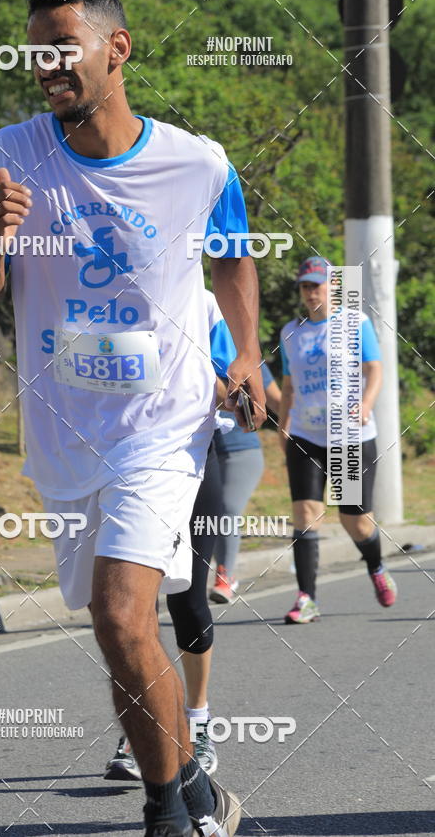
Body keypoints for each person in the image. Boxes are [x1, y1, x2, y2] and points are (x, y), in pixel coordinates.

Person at [0, 0, 266, 837]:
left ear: (115, 49)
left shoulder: (197, 162)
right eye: (37, 50)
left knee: (124, 612)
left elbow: (234, 258)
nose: (48, 64)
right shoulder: (5, 159)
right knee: (114, 631)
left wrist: (246, 354)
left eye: (64, 46)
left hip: (163, 429)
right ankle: (196, 785)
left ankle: (169, 812)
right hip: (64, 433)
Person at [105, 290, 250, 783]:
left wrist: (219, 385)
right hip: (126, 462)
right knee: (132, 608)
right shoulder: (102, 295)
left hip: (191, 459)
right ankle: (145, 725)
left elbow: (240, 392)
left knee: (188, 599)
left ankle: (198, 720)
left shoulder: (203, 303)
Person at [278, 256, 397, 624]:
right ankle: (306, 599)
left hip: (349, 434)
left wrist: (365, 404)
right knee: (305, 515)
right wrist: (283, 425)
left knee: (355, 522)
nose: (311, 292)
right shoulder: (289, 333)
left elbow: (374, 368)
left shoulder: (354, 323)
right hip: (306, 434)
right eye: (305, 286)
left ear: (333, 287)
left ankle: (375, 565)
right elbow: (288, 384)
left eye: (317, 285)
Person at [209, 363, 282, 604]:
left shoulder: (244, 356)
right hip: (199, 452)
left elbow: (277, 401)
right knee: (199, 517)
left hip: (241, 453)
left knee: (227, 509)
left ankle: (225, 577)